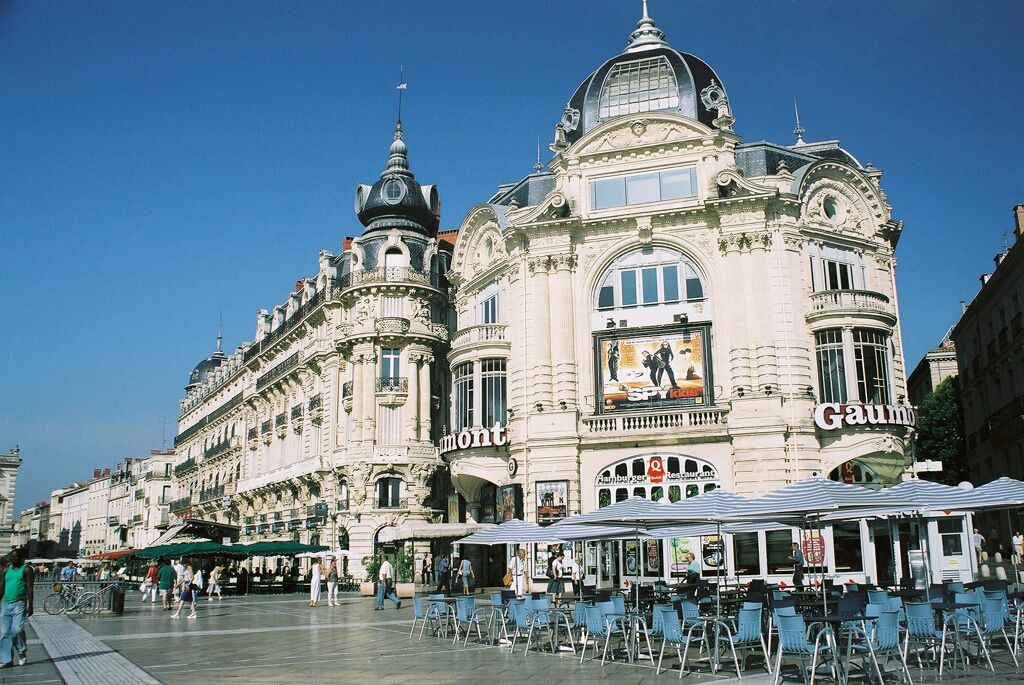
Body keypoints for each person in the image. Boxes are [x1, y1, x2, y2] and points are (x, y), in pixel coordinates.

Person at [0, 549, 34, 668]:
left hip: (20, 603)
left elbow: (30, 588)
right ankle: (7, 660)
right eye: (12, 557)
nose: (14, 559)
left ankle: (22, 651)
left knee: (17, 629)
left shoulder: (27, 569)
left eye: (16, 557)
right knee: (4, 633)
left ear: (22, 557)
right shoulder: (5, 570)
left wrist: (30, 605)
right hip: (6, 604)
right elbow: (2, 588)